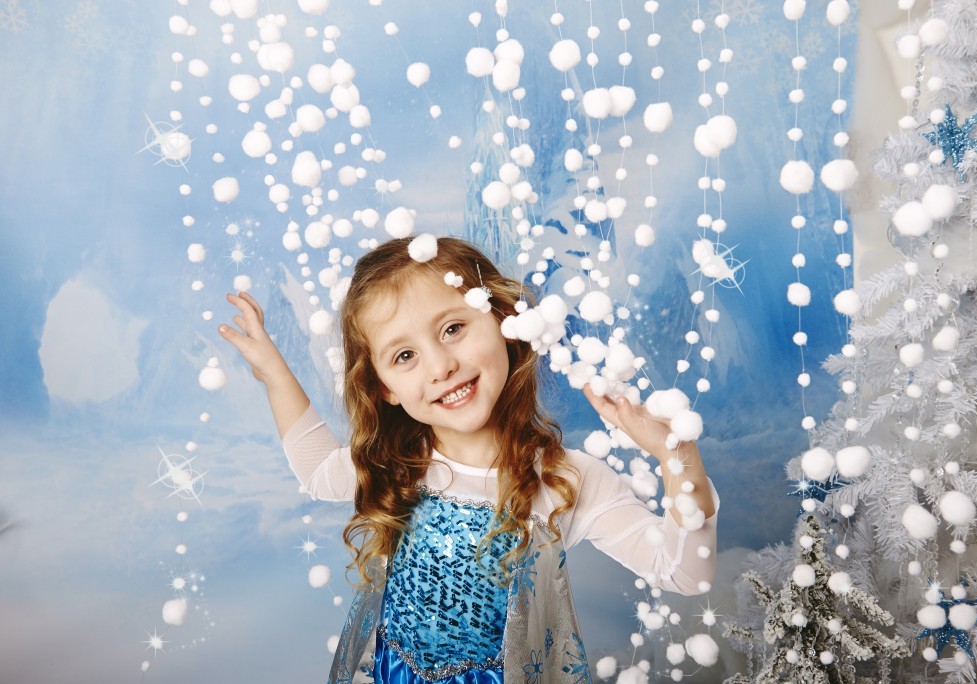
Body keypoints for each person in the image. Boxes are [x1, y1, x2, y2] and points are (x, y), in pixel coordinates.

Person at [219, 235, 719, 683]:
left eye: (453, 328)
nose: (441, 366)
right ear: (384, 389)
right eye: (404, 356)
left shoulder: (565, 480)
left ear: (503, 320)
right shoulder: (396, 462)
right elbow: (317, 470)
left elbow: (685, 573)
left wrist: (677, 454)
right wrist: (272, 371)